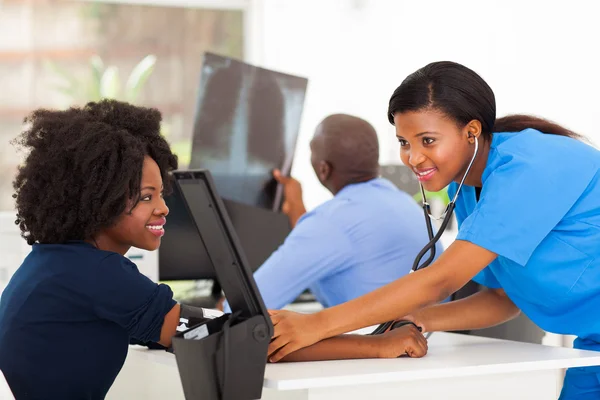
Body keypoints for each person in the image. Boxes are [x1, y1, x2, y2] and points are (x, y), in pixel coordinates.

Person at [0, 100, 428, 399]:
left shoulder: (59, 265)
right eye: (146, 196)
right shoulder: (96, 276)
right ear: (97, 197)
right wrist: (375, 346)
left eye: (161, 192)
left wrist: (220, 324)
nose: (164, 206)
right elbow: (239, 340)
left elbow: (207, 329)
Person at [266, 61, 600, 400]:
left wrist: (315, 324)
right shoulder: (470, 186)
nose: (413, 157)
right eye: (404, 142)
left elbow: (441, 279)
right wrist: (420, 318)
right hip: (593, 344)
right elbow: (502, 299)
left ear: (471, 131)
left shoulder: (529, 167)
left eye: (427, 140)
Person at [224, 113, 443, 311]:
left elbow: (244, 307)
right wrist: (297, 209)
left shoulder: (330, 222)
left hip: (381, 348)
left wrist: (217, 306)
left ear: (323, 169)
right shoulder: (404, 203)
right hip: (437, 343)